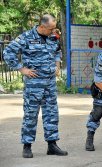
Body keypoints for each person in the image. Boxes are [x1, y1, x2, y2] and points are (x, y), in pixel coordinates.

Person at [3, 14, 68, 158]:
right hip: (34, 84)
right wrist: (22, 69)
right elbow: (7, 52)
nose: (53, 31)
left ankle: (52, 145)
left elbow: (57, 51)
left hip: (50, 83)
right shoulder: (26, 37)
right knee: (31, 114)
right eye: (50, 29)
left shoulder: (52, 37)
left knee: (51, 114)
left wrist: (57, 65)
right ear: (42, 26)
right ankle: (27, 146)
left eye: (54, 28)